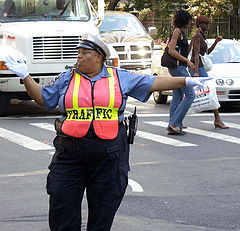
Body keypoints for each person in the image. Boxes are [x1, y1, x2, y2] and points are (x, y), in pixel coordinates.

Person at [2, 33, 210, 231]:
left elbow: (153, 82)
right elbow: (43, 98)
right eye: (78, 53)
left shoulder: (119, 77)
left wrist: (186, 81)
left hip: (109, 152)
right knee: (61, 206)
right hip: (69, 152)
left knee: (104, 210)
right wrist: (26, 77)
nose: (79, 57)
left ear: (99, 57)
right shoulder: (67, 77)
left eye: (85, 53)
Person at [189, 15, 229, 129]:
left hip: (199, 67)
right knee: (210, 91)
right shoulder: (197, 36)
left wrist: (216, 42)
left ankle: (177, 121)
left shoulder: (201, 36)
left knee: (187, 93)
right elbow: (196, 55)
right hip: (197, 67)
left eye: (207, 24)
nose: (207, 26)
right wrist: (196, 71)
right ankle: (217, 120)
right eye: (205, 24)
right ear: (200, 24)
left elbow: (206, 53)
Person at [166, 10, 196, 136]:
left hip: (180, 67)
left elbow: (184, 50)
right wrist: (187, 61)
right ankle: (174, 123)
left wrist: (193, 39)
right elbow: (171, 50)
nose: (191, 23)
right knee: (190, 95)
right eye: (189, 20)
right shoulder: (177, 31)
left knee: (177, 96)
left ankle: (173, 124)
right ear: (184, 20)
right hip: (178, 67)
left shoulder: (182, 33)